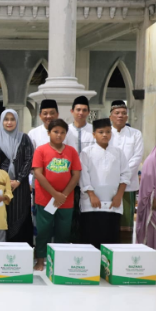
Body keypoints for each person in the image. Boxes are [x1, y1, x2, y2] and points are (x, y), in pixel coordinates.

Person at [32, 119, 81, 271]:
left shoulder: (71, 152)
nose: (59, 135)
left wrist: (63, 195)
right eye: (55, 132)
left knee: (63, 232)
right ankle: (40, 260)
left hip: (66, 200)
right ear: (49, 133)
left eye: (62, 132)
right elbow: (38, 174)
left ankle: (60, 261)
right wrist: (55, 194)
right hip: (45, 199)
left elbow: (76, 175)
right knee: (43, 231)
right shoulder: (41, 150)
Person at [79, 119, 131, 249]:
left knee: (111, 238)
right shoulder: (86, 152)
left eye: (108, 132)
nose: (104, 135)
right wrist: (92, 195)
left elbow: (125, 174)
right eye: (101, 132)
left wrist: (119, 195)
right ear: (94, 134)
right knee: (91, 237)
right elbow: (84, 175)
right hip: (91, 203)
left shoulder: (118, 152)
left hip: (113, 202)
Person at [0, 109, 34, 244]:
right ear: (1, 121)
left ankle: (20, 250)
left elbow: (28, 160)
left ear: (17, 121)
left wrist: (18, 180)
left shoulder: (24, 138)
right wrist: (3, 181)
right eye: (6, 119)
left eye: (12, 119)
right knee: (0, 215)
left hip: (20, 187)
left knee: (20, 213)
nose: (9, 122)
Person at [108, 100, 143, 243]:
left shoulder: (135, 134)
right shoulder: (105, 133)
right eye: (117, 113)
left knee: (126, 221)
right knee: (109, 219)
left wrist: (121, 176)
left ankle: (124, 250)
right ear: (110, 116)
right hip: (108, 185)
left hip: (128, 185)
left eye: (123, 113)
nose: (120, 116)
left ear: (127, 117)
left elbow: (137, 157)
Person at [67, 96, 95, 242]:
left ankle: (84, 243)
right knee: (70, 213)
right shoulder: (65, 130)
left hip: (89, 178)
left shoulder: (94, 131)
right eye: (78, 110)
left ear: (88, 112)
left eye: (84, 110)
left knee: (86, 213)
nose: (81, 113)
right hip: (69, 179)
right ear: (72, 111)